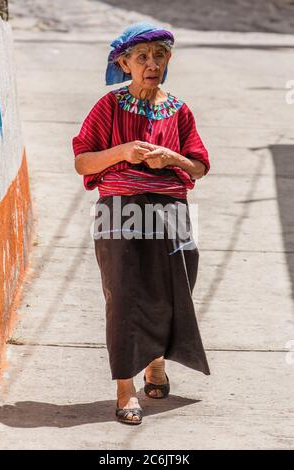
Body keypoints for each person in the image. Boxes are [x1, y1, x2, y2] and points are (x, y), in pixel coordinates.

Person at [72, 21, 211, 425]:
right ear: (125, 63)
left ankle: (156, 364)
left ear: (169, 60)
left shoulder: (179, 109)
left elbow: (199, 166)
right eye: (142, 57)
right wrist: (123, 152)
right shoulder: (109, 107)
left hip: (172, 211)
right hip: (121, 207)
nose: (152, 64)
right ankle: (124, 388)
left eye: (160, 55)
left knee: (173, 291)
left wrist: (173, 159)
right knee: (126, 296)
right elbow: (83, 160)